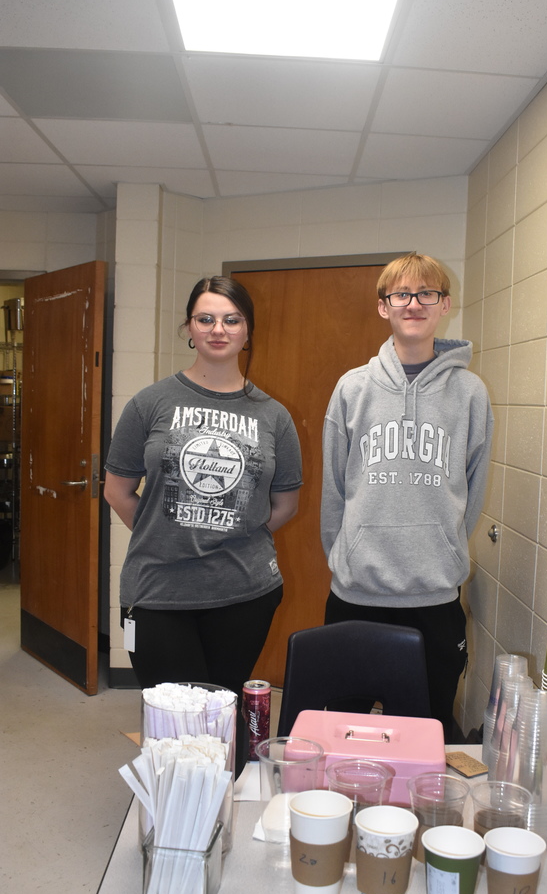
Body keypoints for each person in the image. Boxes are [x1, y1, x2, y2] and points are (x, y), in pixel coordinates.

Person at [320, 252, 493, 739]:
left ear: (445, 305)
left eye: (426, 294)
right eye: (401, 294)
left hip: (433, 597)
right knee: (345, 731)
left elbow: (472, 489)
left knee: (426, 729)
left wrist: (442, 544)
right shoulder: (352, 388)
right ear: (383, 307)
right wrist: (344, 554)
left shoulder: (470, 393)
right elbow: (334, 487)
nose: (413, 303)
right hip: (356, 593)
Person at [104, 276, 302, 698]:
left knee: (223, 710)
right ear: (190, 329)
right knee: (175, 720)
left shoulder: (274, 416)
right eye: (206, 319)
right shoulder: (149, 403)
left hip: (245, 592)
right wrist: (165, 532)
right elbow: (116, 491)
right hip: (158, 592)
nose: (219, 329)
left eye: (232, 320)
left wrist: (234, 531)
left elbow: (285, 503)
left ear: (247, 330)